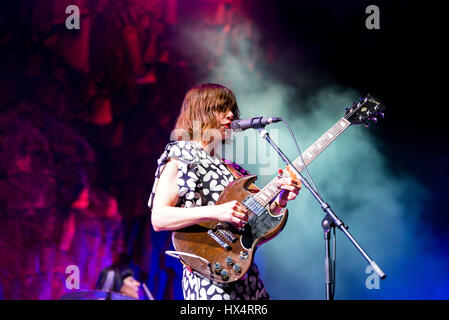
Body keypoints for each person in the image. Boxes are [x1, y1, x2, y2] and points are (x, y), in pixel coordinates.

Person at [148, 83, 301, 300]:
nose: (230, 114)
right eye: (221, 108)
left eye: (232, 109)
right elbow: (159, 217)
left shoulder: (230, 168)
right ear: (201, 112)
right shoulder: (182, 154)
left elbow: (254, 232)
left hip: (246, 278)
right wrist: (216, 212)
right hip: (209, 278)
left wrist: (281, 199)